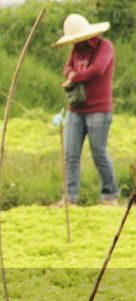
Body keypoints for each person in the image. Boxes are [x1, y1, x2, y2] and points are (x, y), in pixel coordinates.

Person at [53, 13, 118, 207]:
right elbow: (67, 68)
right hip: (76, 109)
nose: (76, 42)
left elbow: (97, 69)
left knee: (99, 152)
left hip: (99, 109)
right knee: (70, 154)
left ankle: (109, 196)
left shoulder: (104, 47)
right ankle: (69, 198)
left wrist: (74, 77)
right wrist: (70, 73)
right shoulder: (76, 49)